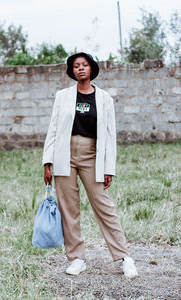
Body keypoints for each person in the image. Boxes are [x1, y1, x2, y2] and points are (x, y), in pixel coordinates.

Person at [43, 52, 138, 279]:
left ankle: (124, 257)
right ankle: (77, 258)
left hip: (92, 155)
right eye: (76, 66)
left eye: (84, 65)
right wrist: (48, 162)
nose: (81, 69)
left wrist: (108, 168)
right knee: (69, 208)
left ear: (92, 68)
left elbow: (110, 134)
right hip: (64, 154)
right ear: (72, 71)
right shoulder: (62, 96)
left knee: (104, 207)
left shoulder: (105, 99)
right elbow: (53, 129)